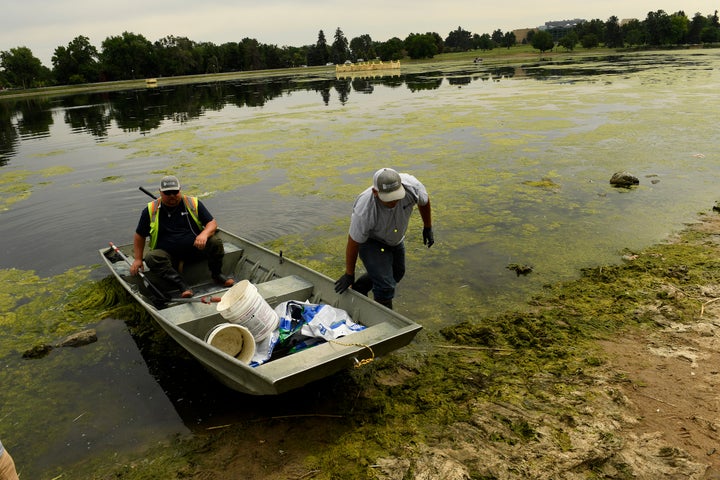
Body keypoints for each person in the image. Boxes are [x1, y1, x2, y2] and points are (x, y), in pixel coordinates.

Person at [334, 168, 434, 309]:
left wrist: (427, 226)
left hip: (395, 239)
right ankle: (384, 320)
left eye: (396, 197)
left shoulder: (413, 187)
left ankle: (360, 287)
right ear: (376, 193)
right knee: (386, 286)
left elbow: (424, 201)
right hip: (371, 241)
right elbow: (353, 241)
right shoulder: (365, 209)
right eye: (389, 199)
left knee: (397, 273)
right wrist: (349, 274)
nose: (394, 202)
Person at [130, 175, 234, 298]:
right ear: (160, 192)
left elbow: (212, 223)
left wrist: (204, 234)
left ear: (180, 190)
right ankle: (182, 285)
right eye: (167, 193)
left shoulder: (192, 203)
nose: (172, 195)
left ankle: (217, 275)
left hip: (196, 250)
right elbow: (139, 235)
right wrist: (137, 259)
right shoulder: (150, 210)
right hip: (169, 257)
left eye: (175, 192)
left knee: (215, 242)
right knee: (151, 257)